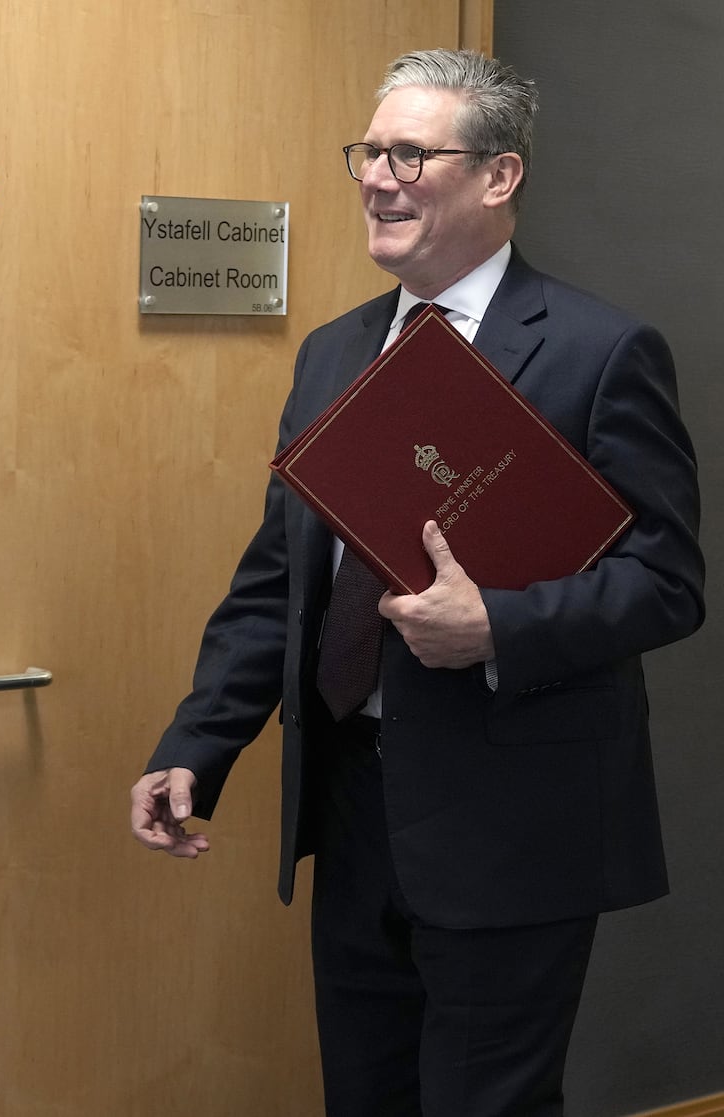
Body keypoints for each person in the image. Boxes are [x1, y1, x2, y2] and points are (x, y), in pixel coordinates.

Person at [130, 48, 704, 1117]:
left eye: (408, 153)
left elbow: (666, 580)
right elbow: (278, 584)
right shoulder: (332, 355)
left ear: (498, 176)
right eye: (366, 152)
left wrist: (497, 626)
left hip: (513, 825)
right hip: (352, 810)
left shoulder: (598, 350)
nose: (375, 177)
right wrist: (197, 742)